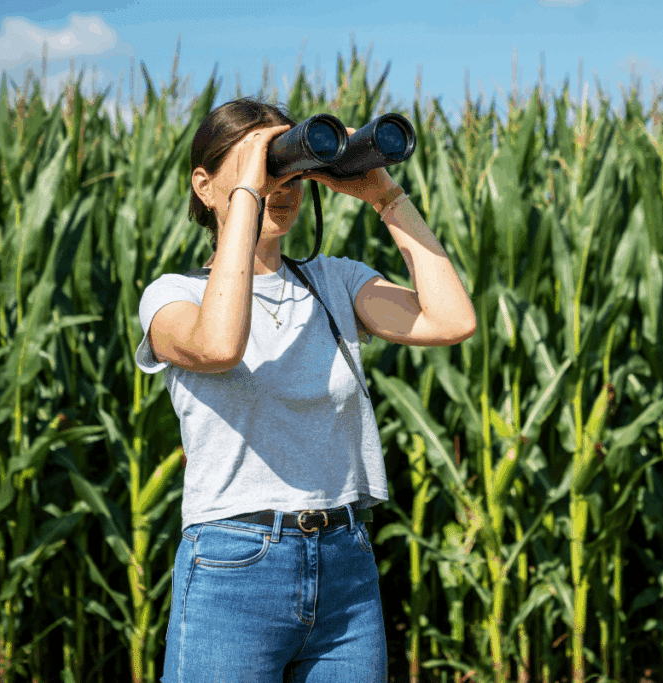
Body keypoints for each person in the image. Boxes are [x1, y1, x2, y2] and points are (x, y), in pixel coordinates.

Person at [134, 97, 476, 683]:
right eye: (264, 166)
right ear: (204, 185)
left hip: (346, 566)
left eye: (288, 167)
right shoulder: (172, 297)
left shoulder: (336, 282)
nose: (280, 185)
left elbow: (451, 321)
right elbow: (220, 346)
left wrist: (387, 198)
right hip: (233, 567)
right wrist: (247, 191)